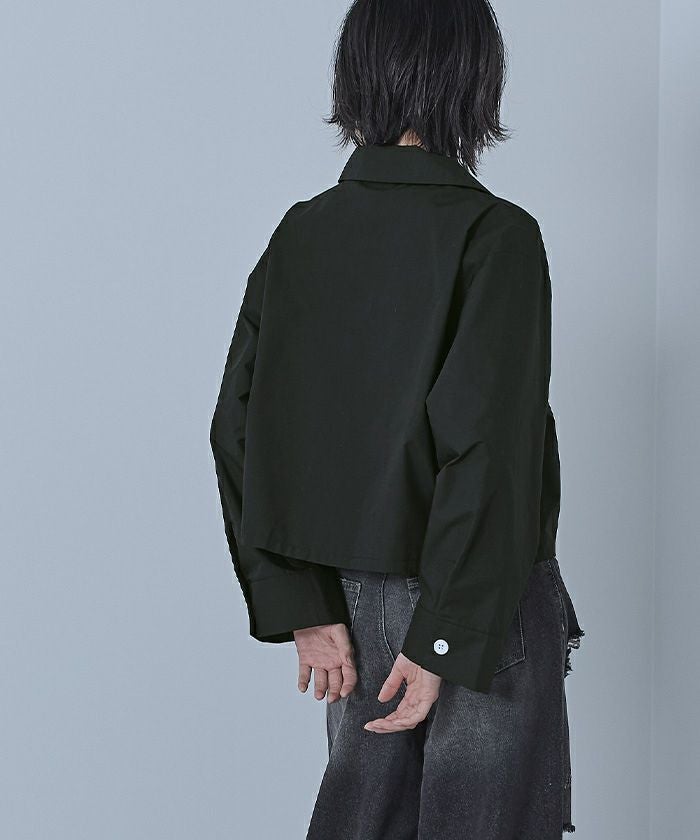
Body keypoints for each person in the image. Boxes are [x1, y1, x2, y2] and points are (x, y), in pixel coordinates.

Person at [209, 0, 584, 837]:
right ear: (475, 79)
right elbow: (486, 449)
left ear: (356, 75)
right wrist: (445, 637)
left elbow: (237, 427)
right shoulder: (496, 237)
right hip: (475, 601)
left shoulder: (301, 234)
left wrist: (301, 603)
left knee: (363, 822)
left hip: (349, 607)